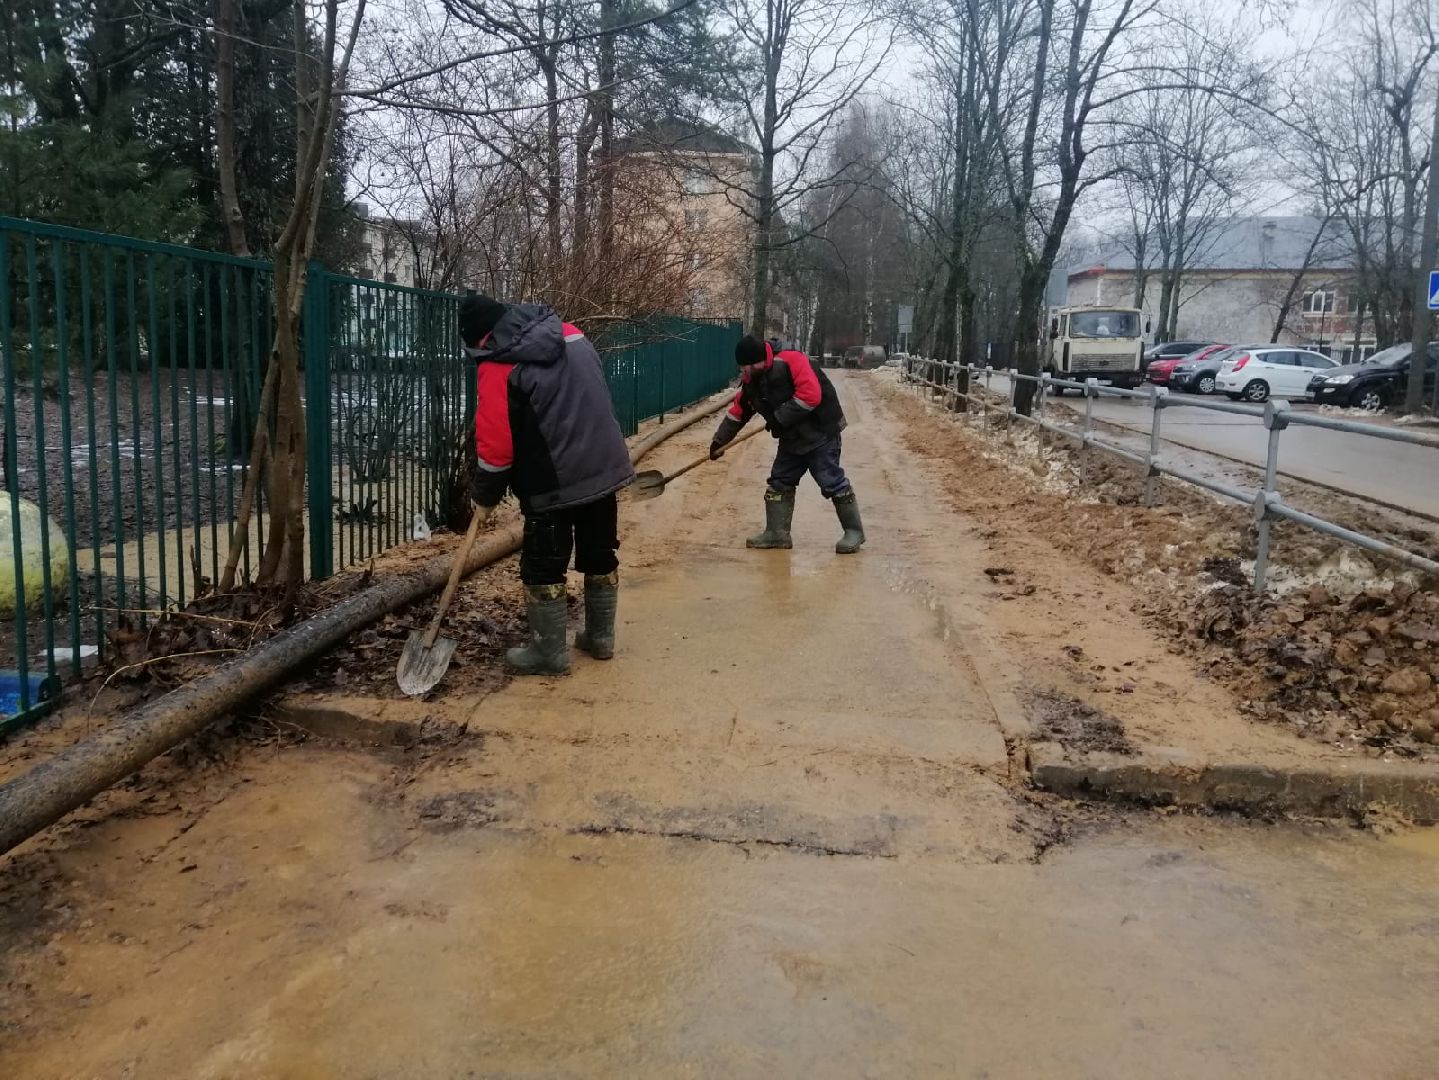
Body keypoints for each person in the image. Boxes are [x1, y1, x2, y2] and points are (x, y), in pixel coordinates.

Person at [460, 292, 634, 676]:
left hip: (551, 480)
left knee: (543, 564)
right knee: (600, 551)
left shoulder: (497, 364)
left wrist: (484, 496)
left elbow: (496, 447)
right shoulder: (572, 333)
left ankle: (549, 653)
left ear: (481, 338)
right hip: (604, 466)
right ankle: (601, 638)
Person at [709, 334, 864, 554]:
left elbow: (810, 395)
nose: (744, 372)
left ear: (759, 360)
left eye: (747, 367)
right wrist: (719, 441)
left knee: (831, 481)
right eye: (742, 368)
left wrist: (779, 418)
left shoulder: (792, 360)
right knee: (780, 481)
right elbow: (739, 411)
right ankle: (777, 533)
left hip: (821, 433)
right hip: (791, 438)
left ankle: (854, 531)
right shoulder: (752, 379)